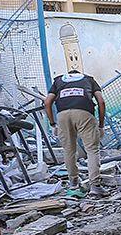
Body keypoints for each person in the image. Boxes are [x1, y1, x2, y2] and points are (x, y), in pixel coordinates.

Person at [44, 68, 106, 197]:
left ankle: (73, 184)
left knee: (69, 150)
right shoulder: (89, 80)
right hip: (84, 114)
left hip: (62, 115)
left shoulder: (58, 81)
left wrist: (52, 124)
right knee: (92, 150)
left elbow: (47, 102)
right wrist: (101, 125)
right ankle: (95, 186)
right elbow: (101, 101)